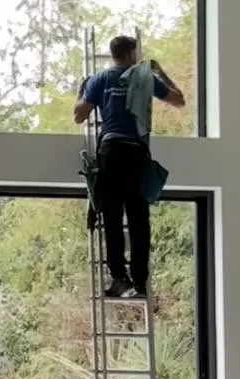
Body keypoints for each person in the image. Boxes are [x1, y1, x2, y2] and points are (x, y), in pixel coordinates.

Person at [74, 36, 185, 298]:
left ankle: (118, 278)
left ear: (113, 55)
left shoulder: (98, 80)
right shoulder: (145, 78)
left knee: (111, 217)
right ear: (131, 53)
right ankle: (139, 282)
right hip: (136, 152)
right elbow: (179, 100)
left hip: (110, 152)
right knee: (138, 219)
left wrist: (82, 89)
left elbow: (79, 116)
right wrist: (160, 71)